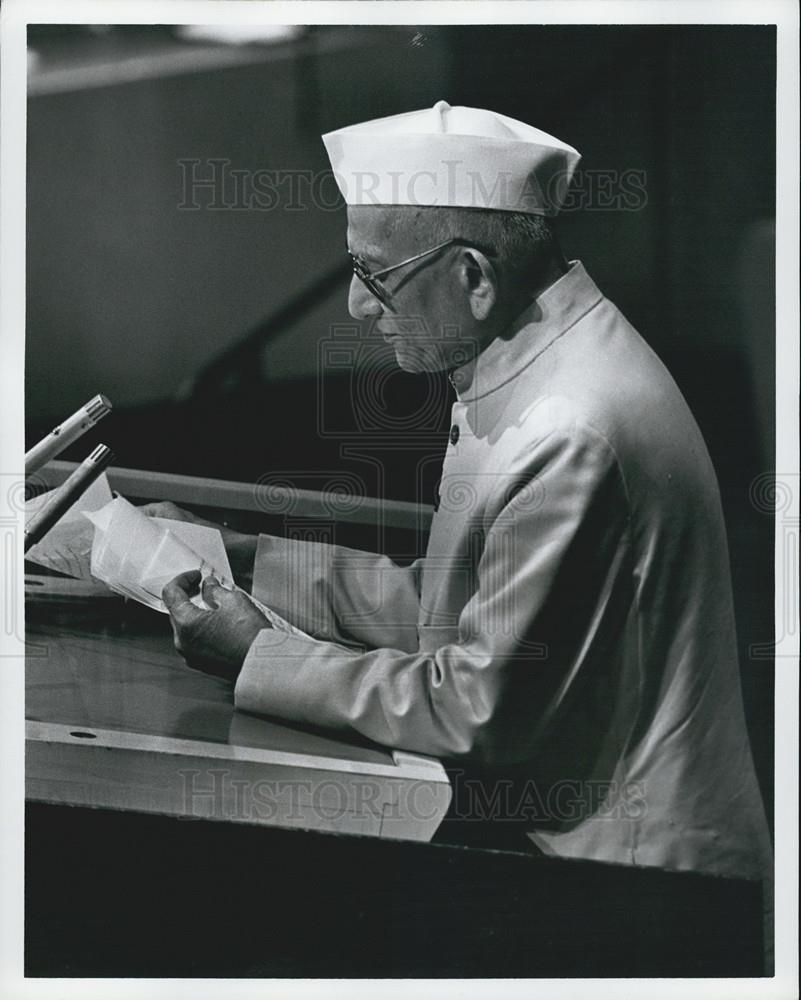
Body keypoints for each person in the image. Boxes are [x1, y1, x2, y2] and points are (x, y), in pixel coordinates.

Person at [149, 101, 772, 886]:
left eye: (373, 275)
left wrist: (257, 654)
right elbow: (452, 608)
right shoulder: (526, 351)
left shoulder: (567, 429)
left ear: (473, 276)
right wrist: (245, 561)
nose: (358, 306)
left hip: (633, 877)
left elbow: (476, 706)